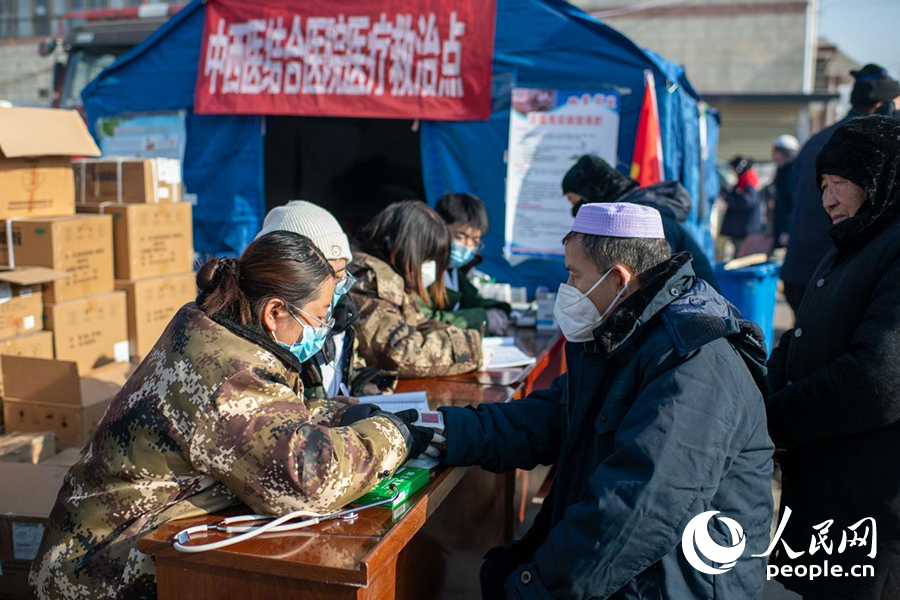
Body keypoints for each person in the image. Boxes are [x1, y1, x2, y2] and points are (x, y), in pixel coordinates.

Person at [29, 231, 421, 599]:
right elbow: (311, 483)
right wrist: (395, 433)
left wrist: (337, 415)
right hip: (98, 574)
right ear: (274, 312)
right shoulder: (229, 373)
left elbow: (261, 420)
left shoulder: (216, 332)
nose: (322, 331)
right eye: (319, 319)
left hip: (103, 549)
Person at [437, 203, 774, 599]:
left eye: (574, 275)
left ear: (618, 279)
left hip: (675, 582)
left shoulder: (691, 359)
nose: (567, 289)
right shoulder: (626, 334)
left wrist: (534, 587)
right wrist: (444, 429)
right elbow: (552, 414)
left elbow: (639, 509)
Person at [766, 115, 900, 600]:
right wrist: (760, 398)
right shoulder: (850, 244)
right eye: (822, 185)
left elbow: (876, 381)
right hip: (828, 500)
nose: (827, 200)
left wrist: (776, 421)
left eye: (840, 182)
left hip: (872, 511)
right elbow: (798, 337)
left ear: (881, 176)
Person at [781, 63, 900, 314]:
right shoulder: (875, 147)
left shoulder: (815, 140)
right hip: (838, 277)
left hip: (799, 271)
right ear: (883, 107)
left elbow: (789, 200)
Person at [257, 201, 397, 398]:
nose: (335, 287)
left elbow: (342, 371)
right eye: (328, 275)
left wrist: (365, 382)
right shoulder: (277, 335)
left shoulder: (342, 313)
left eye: (341, 275)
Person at [349, 200, 483, 378]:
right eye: (427, 257)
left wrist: (465, 338)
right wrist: (471, 350)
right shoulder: (369, 279)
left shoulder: (395, 276)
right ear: (408, 247)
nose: (430, 267)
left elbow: (418, 324)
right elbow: (398, 354)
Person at [561, 154, 721, 291]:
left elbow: (655, 284)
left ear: (591, 194)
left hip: (696, 313)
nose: (574, 209)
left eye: (572, 200)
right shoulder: (633, 213)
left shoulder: (641, 223)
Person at [417, 192, 512, 334]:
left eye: (475, 242)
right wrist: (482, 318)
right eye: (460, 237)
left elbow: (473, 300)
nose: (467, 246)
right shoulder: (424, 270)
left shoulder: (455, 271)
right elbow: (424, 321)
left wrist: (497, 310)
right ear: (438, 227)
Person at [720, 155, 764, 254]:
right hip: (741, 230)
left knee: (742, 257)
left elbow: (746, 202)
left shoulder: (749, 181)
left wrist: (727, 197)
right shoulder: (744, 181)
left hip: (745, 231)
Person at [769, 134, 800, 250]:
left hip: (788, 230)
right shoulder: (782, 171)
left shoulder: (791, 174)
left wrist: (787, 230)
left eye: (777, 153)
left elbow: (792, 203)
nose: (773, 156)